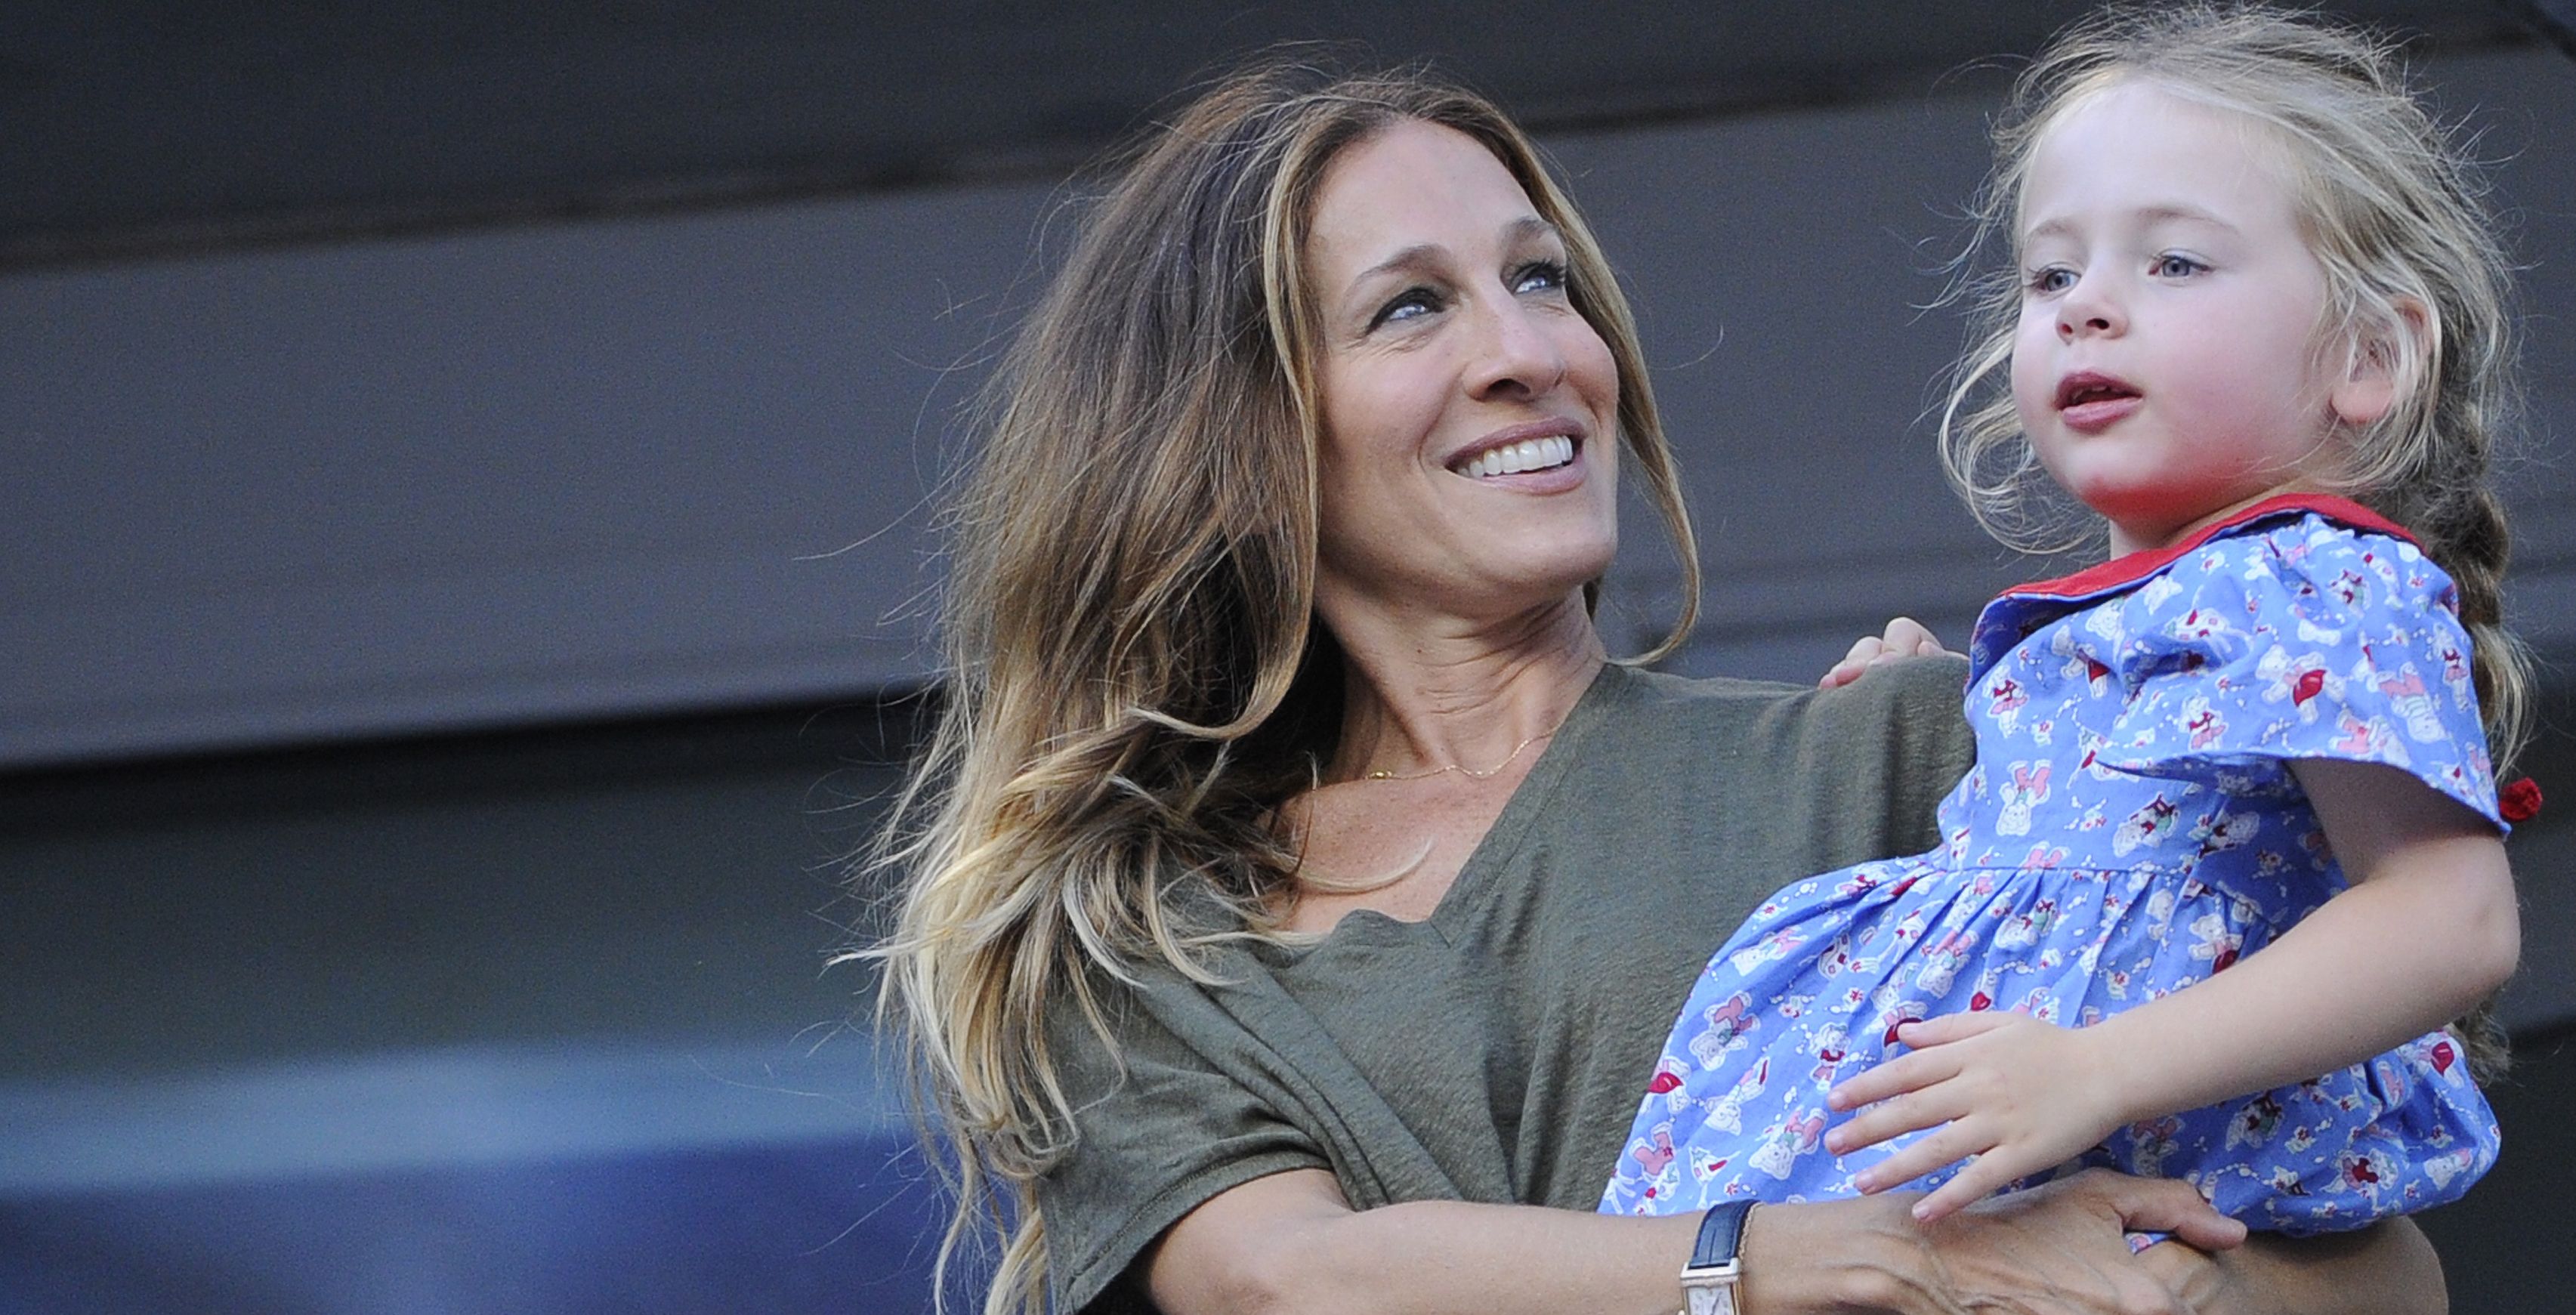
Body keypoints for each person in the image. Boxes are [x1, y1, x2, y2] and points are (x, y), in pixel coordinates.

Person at [860, 42, 2457, 1315]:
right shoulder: (1133, 929)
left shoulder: (1919, 760)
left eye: (1540, 279)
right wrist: (1795, 1264)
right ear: (1239, 433)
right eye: (1412, 306)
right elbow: (1281, 1279)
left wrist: (2170, 1287)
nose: (1529, 352)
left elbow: (2382, 1262)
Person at [1604, 5, 2532, 1238]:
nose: (2087, 306)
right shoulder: (2137, 622)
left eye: (2175, 263)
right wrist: (1960, 709)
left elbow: (2452, 915)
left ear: (2367, 353)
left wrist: (2094, 1071)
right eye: (2052, 274)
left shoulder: (2323, 578)